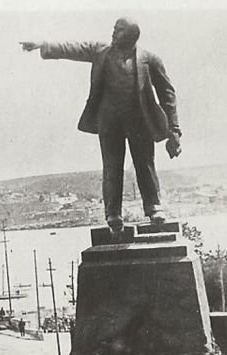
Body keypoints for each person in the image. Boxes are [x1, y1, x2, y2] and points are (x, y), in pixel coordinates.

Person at [20, 18, 181, 231]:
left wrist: (174, 130)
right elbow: (74, 48)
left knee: (145, 164)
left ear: (133, 35)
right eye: (114, 28)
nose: (113, 32)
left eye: (119, 30)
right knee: (112, 168)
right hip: (109, 122)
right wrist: (43, 44)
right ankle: (113, 214)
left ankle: (154, 208)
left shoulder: (149, 59)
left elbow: (167, 93)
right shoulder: (100, 51)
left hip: (139, 123)